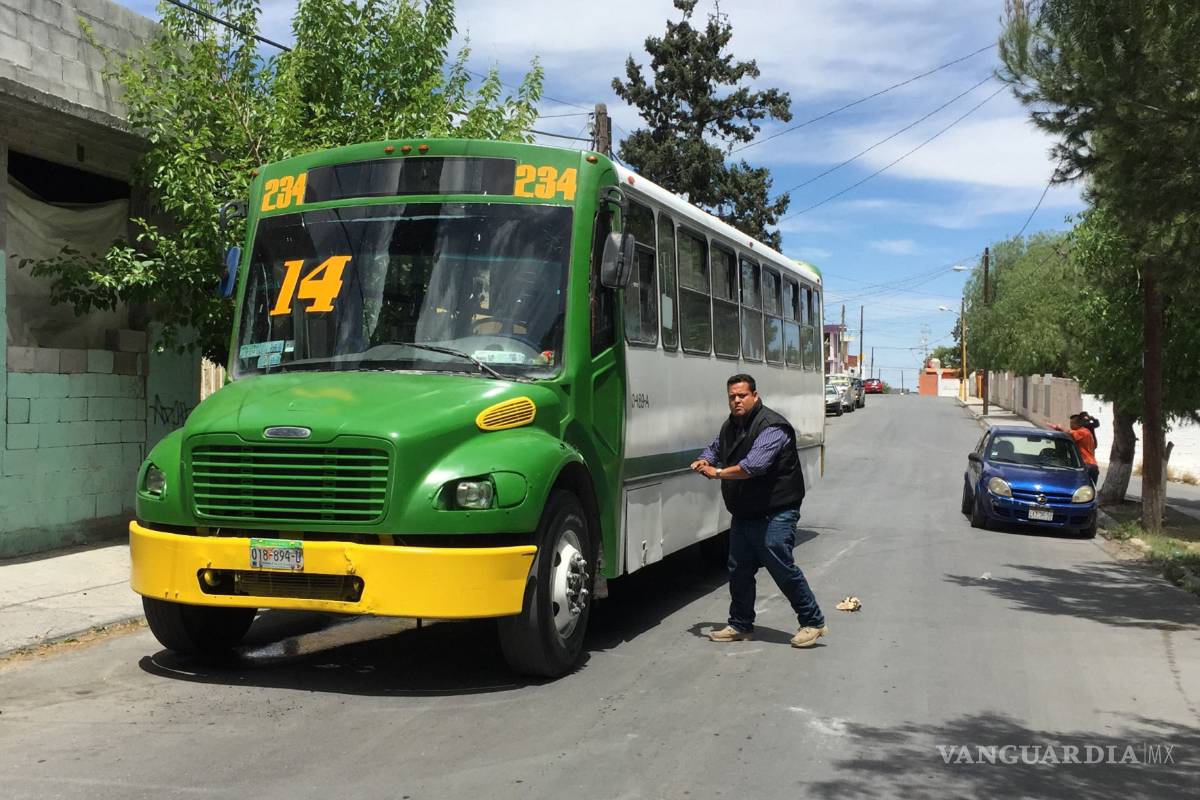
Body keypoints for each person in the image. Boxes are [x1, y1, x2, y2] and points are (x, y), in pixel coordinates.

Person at [690, 374, 827, 648]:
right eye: (732, 396)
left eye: (742, 395)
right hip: (746, 511)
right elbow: (717, 447)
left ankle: (812, 622)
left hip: (777, 510)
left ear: (755, 395)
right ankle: (740, 624)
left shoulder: (772, 427)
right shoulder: (731, 425)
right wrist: (705, 458)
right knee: (738, 567)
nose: (737, 400)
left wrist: (716, 472)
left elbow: (753, 466)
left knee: (779, 561)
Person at [1051, 413, 1099, 483]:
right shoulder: (1086, 431)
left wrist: (1060, 428)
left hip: (1086, 464)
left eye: (1072, 423)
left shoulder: (1082, 432)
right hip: (1091, 465)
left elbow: (1071, 433)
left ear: (1078, 423)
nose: (1070, 425)